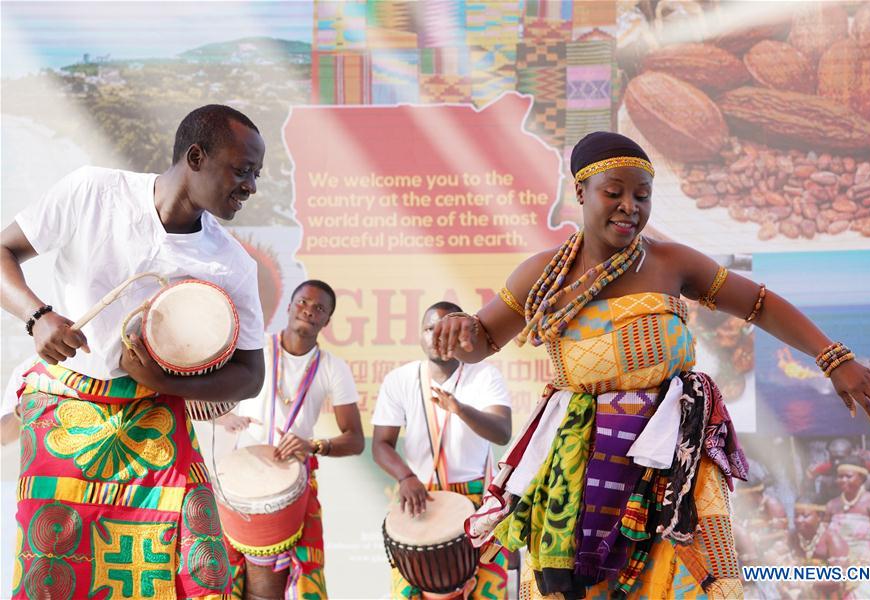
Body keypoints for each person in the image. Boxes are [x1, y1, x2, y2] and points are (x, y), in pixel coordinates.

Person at [431, 131, 870, 599]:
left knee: (695, 577)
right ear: (580, 193)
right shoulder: (543, 273)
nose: (629, 206)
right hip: (581, 454)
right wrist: (461, 332)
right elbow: (483, 339)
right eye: (613, 192)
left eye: (642, 195)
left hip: (675, 454)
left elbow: (758, 304)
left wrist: (833, 358)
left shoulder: (670, 261)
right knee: (581, 584)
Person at [0, 104, 268, 599]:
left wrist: (163, 383)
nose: (251, 185)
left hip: (156, 417)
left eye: (256, 174)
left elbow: (250, 375)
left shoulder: (231, 262)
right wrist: (38, 318)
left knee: (197, 569)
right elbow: (3, 251)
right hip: (65, 409)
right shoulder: (93, 192)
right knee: (52, 573)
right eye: (243, 170)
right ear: (195, 156)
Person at [217, 279, 364, 600]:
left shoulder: (332, 368)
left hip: (293, 482)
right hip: (238, 482)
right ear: (289, 306)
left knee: (283, 584)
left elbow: (355, 440)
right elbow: (207, 400)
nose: (309, 311)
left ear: (326, 321)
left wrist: (313, 445)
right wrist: (225, 416)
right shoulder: (254, 351)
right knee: (223, 581)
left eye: (319, 308)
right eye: (303, 302)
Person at [372, 301, 513, 599]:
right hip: (420, 496)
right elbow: (381, 445)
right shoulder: (400, 380)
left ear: (463, 336)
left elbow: (502, 432)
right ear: (420, 335)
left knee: (490, 590)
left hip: (476, 497)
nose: (437, 335)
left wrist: (460, 409)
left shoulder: (484, 376)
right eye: (429, 328)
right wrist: (405, 477)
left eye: (446, 329)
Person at [825, 457, 870, 599]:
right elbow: (823, 533)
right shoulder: (832, 504)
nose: (843, 480)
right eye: (840, 477)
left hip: (867, 560)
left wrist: (865, 561)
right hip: (837, 561)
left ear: (862, 478)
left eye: (848, 476)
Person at [783, 495, 849, 600]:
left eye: (805, 516)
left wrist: (806, 580)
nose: (799, 520)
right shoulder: (793, 536)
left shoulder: (832, 539)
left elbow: (841, 575)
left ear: (820, 516)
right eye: (796, 515)